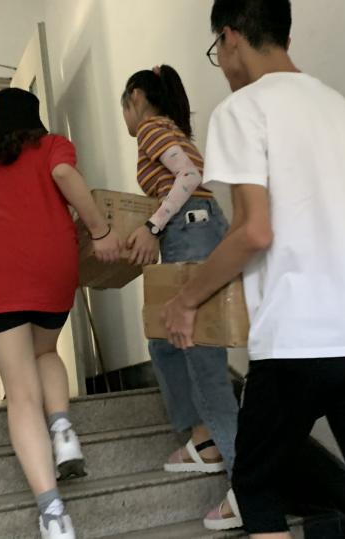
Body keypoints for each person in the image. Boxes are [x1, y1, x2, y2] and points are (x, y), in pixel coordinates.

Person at [162, 1, 345, 537]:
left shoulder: (243, 109)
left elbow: (253, 231)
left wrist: (186, 299)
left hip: (302, 338)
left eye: (217, 48)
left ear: (230, 37)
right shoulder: (340, 108)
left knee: (257, 481)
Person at [0, 88, 121, 539]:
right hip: (51, 264)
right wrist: (100, 230)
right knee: (46, 351)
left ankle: (54, 515)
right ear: (35, 122)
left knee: (20, 393)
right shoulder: (53, 144)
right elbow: (63, 173)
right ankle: (64, 431)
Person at [120, 66, 239, 488]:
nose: (126, 118)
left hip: (189, 230)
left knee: (199, 349)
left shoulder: (151, 128)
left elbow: (189, 177)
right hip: (192, 230)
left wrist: (152, 226)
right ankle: (204, 438)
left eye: (124, 107)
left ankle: (243, 476)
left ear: (136, 97)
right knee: (164, 340)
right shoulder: (170, 129)